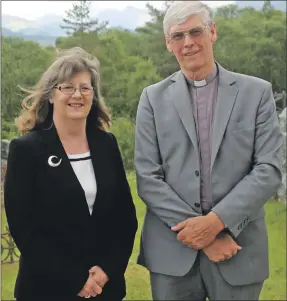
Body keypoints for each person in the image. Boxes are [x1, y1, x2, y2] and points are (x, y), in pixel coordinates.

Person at [134, 1, 282, 300]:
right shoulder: (152, 98)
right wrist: (203, 237)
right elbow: (148, 178)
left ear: (212, 32)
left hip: (237, 248)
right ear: (168, 43)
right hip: (172, 255)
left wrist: (216, 223)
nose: (188, 43)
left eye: (195, 31)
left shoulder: (257, 93)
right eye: (178, 36)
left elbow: (268, 170)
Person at [4, 47, 138, 301]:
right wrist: (76, 279)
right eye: (67, 87)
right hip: (46, 289)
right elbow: (25, 229)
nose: (77, 94)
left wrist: (108, 269)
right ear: (51, 95)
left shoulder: (106, 144)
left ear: (93, 96)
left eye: (85, 88)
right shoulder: (26, 150)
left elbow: (125, 217)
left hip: (104, 289)